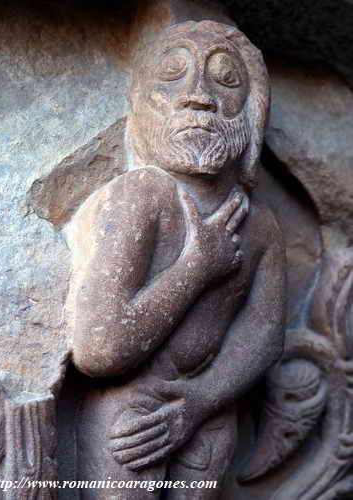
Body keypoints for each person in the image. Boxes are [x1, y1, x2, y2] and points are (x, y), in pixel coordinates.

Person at [67, 20, 286, 499]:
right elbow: (100, 350)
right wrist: (197, 266)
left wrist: (200, 402)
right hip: (133, 414)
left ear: (252, 109)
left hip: (207, 411)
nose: (198, 97)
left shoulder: (260, 223)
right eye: (172, 75)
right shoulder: (142, 195)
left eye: (226, 79)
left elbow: (265, 334)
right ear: (140, 104)